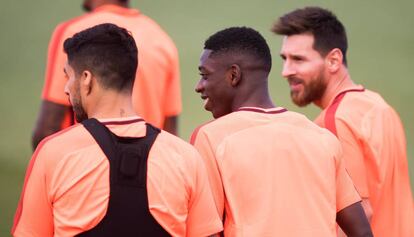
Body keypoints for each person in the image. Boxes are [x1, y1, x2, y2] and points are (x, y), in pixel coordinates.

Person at [12, 23, 222, 237]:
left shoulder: (53, 153)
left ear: (86, 79)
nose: (66, 88)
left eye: (68, 77)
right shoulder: (185, 157)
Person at [190, 26, 372, 236]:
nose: (199, 86)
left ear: (234, 75)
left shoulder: (211, 137)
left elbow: (206, 232)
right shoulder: (321, 137)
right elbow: (362, 232)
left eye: (205, 75)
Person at [272, 6, 414, 237]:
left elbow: (358, 215)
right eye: (284, 59)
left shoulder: (334, 121)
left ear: (334, 60)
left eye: (298, 59)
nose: (286, 71)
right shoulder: (377, 105)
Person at [32, 0, 181, 150]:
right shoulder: (162, 40)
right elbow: (170, 133)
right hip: (147, 164)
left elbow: (47, 128)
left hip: (85, 164)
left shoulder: (74, 34)